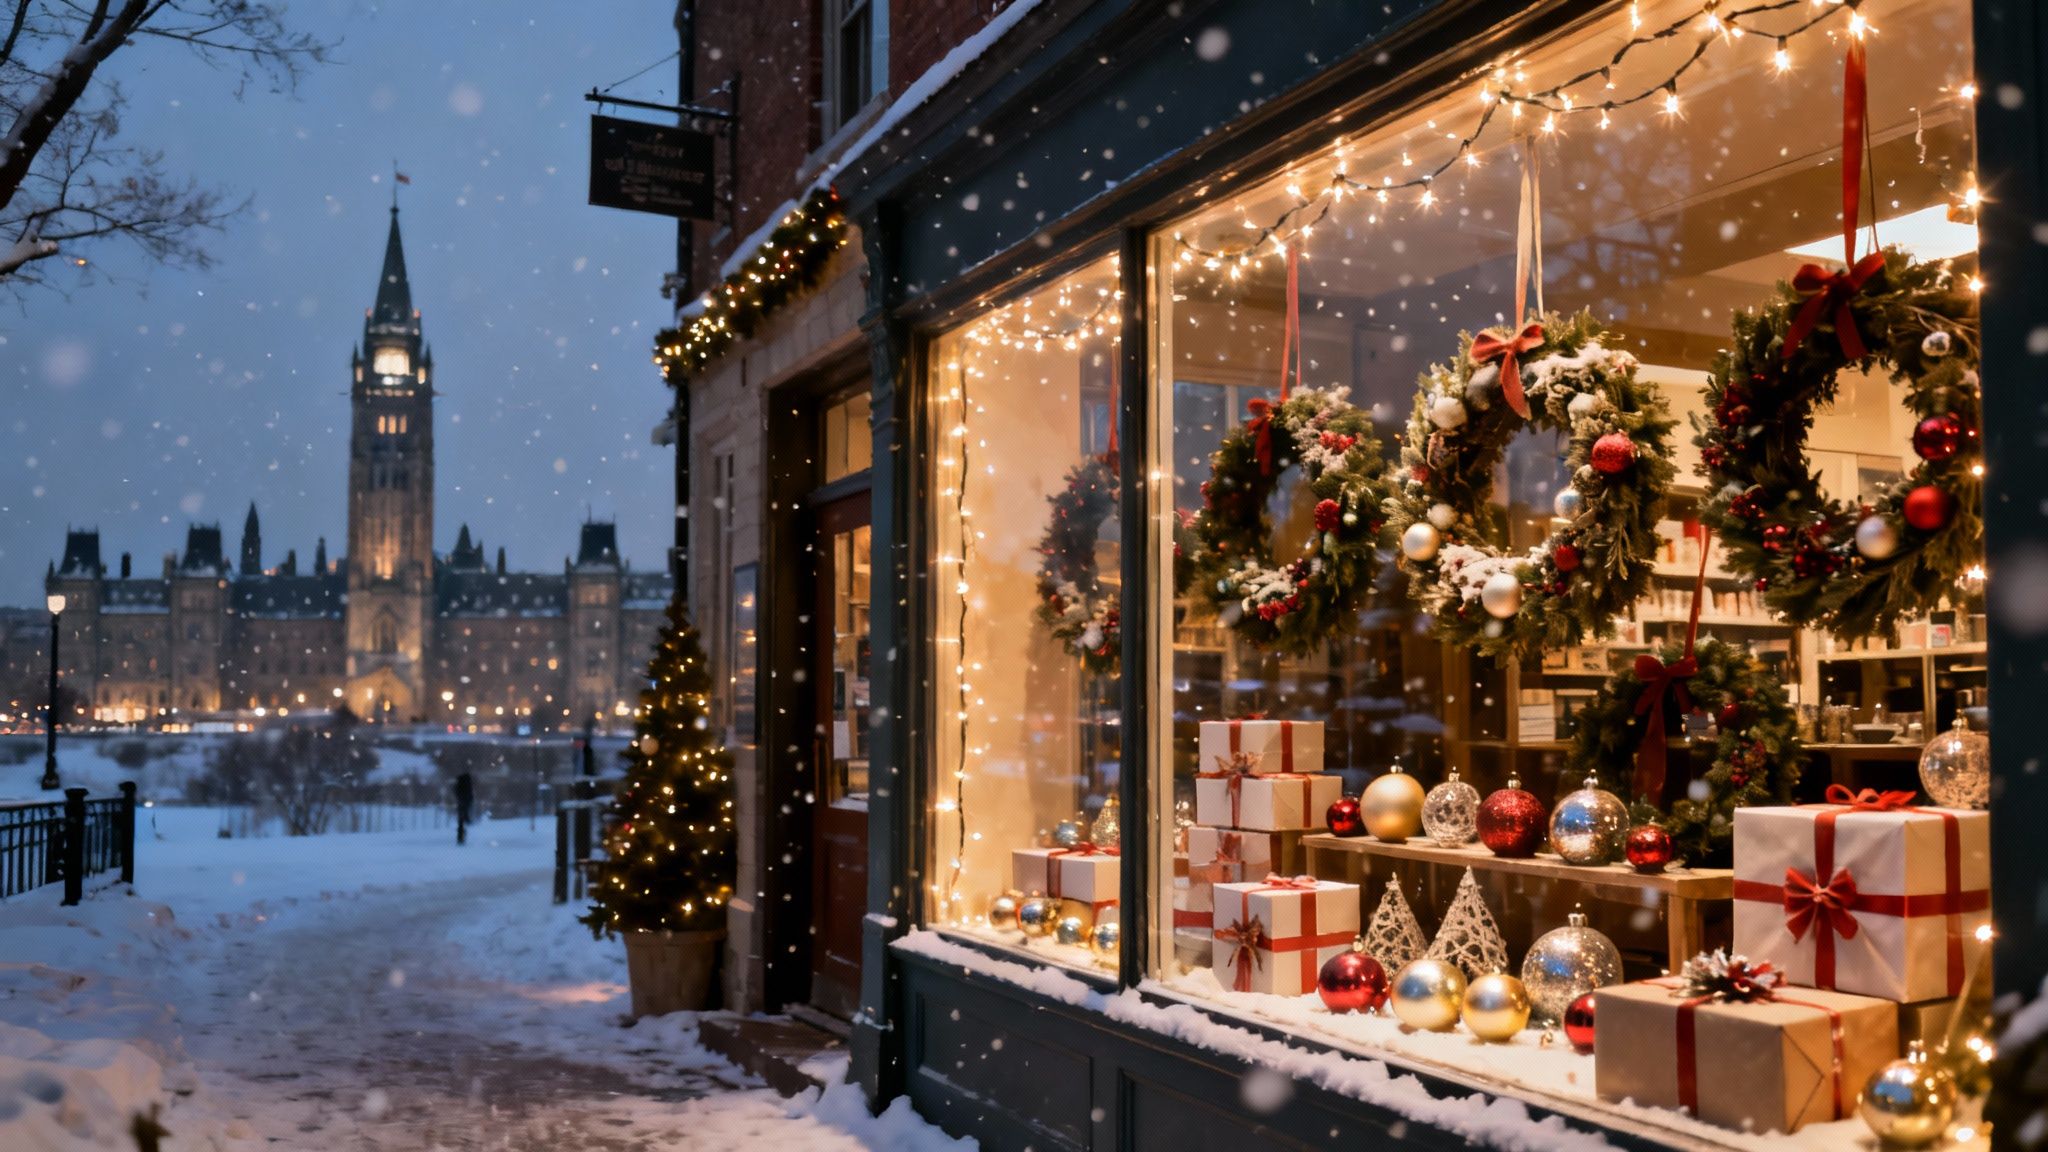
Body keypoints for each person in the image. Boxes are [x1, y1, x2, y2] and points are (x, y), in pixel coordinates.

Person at [454, 771, 474, 846]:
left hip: (461, 803)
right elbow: (469, 794)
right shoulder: (467, 784)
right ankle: (461, 837)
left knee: (461, 820)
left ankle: (460, 837)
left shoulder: (459, 784)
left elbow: (457, 793)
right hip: (465, 802)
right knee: (462, 818)